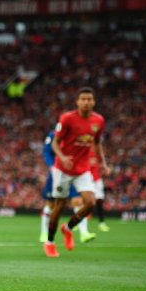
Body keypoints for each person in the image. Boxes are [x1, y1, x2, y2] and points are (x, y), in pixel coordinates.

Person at [44, 86, 107, 257]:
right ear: (77, 102)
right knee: (59, 206)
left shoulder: (98, 121)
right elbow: (55, 143)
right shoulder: (67, 118)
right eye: (83, 99)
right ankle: (50, 242)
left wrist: (103, 163)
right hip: (63, 169)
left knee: (91, 202)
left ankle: (68, 227)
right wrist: (63, 157)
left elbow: (97, 143)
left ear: (94, 102)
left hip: (82, 169)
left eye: (89, 99)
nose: (86, 102)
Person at [39, 130, 95, 244]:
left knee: (78, 201)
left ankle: (84, 232)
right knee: (51, 204)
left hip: (76, 172)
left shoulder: (80, 133)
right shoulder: (53, 134)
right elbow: (47, 152)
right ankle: (44, 233)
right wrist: (52, 166)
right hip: (58, 173)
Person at [90, 146, 111, 232]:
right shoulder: (83, 151)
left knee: (99, 201)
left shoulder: (97, 153)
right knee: (82, 201)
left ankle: (101, 223)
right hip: (85, 179)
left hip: (97, 180)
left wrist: (104, 168)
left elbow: (101, 163)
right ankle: (78, 222)